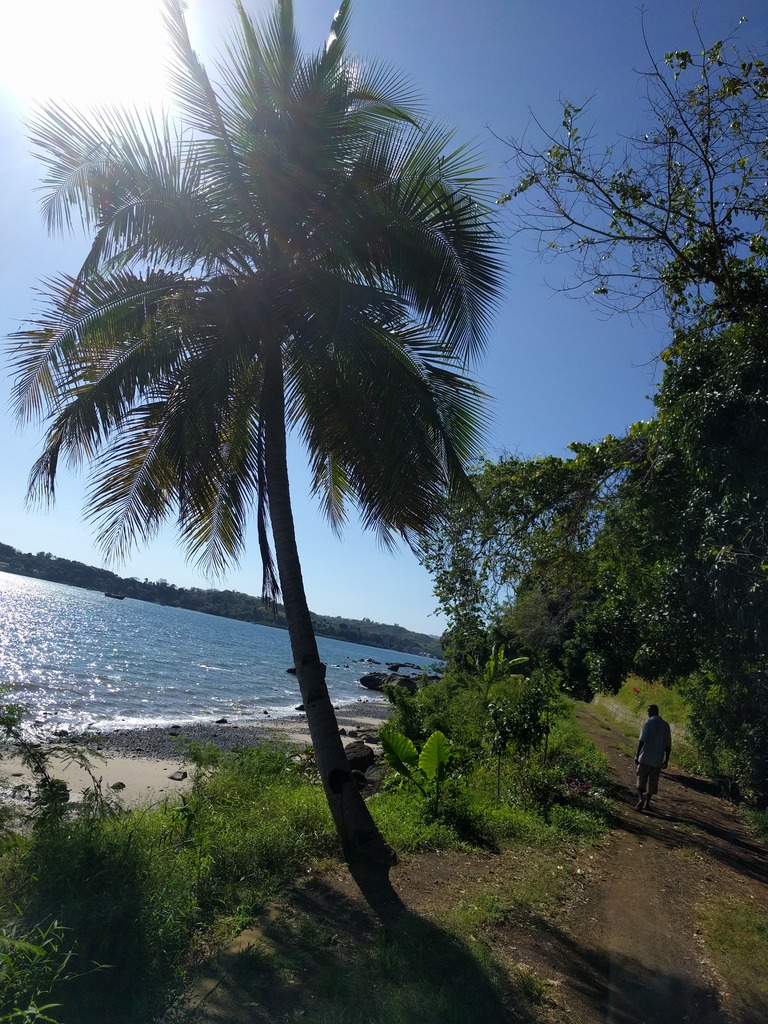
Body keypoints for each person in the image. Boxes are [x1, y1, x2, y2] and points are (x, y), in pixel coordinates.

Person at [634, 704, 671, 811]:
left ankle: (640, 799)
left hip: (645, 757)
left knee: (641, 778)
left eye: (649, 712)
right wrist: (666, 760)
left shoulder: (648, 723)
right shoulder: (665, 725)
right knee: (653, 783)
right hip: (657, 759)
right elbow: (668, 745)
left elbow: (642, 740)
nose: (648, 713)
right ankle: (647, 804)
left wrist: (637, 755)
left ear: (653, 712)